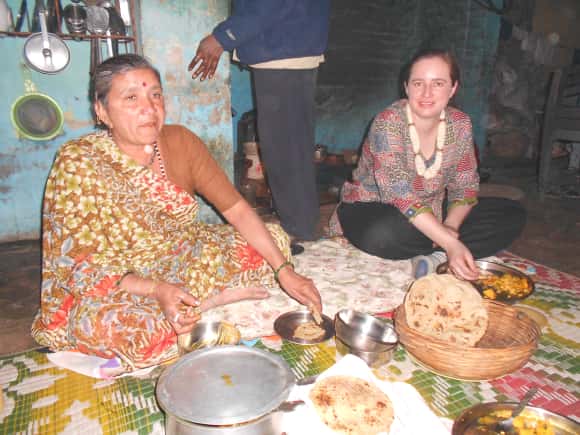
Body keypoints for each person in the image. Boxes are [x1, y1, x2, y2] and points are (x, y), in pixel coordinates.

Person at [31, 54, 322, 373]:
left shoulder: (180, 141)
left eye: (155, 95)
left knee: (275, 241)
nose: (149, 108)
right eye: (131, 97)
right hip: (116, 280)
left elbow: (237, 209)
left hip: (177, 254)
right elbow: (78, 265)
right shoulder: (79, 162)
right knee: (121, 327)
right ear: (102, 112)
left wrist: (283, 270)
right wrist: (157, 290)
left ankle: (192, 303)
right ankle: (207, 302)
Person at [329, 48, 526, 280]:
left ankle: (434, 258)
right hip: (374, 207)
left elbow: (465, 185)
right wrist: (448, 241)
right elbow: (398, 194)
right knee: (382, 234)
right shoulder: (388, 123)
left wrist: (450, 227)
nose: (426, 92)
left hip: (431, 209)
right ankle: (443, 249)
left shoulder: (460, 124)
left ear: (453, 88)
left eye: (438, 83)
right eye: (418, 83)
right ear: (406, 87)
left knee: (511, 214)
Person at [188, 0, 331, 254]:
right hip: (289, 46)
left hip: (283, 50)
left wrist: (223, 36)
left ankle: (299, 230)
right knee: (290, 146)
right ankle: (301, 226)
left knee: (284, 148)